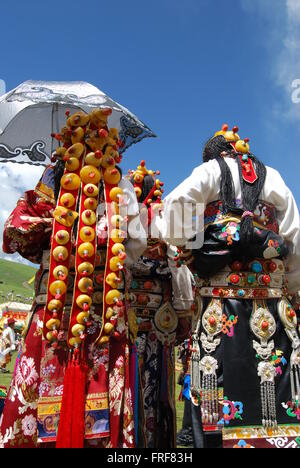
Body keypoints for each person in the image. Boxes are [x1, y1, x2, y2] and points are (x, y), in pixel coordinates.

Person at [0, 108, 147, 448]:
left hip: (66, 311)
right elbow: (136, 247)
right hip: (95, 313)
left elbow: (15, 234)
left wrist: (56, 228)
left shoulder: (54, 178)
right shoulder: (115, 185)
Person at [158, 124, 300, 449]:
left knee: (213, 402)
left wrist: (195, 246)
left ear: (215, 155)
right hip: (273, 309)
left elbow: (175, 207)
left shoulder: (211, 170)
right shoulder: (273, 176)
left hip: (220, 311)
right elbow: (295, 236)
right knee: (276, 407)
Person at [127, 161, 194, 448]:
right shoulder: (161, 219)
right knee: (151, 387)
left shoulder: (126, 218)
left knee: (140, 384)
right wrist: (183, 310)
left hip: (137, 316)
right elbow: (178, 268)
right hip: (155, 320)